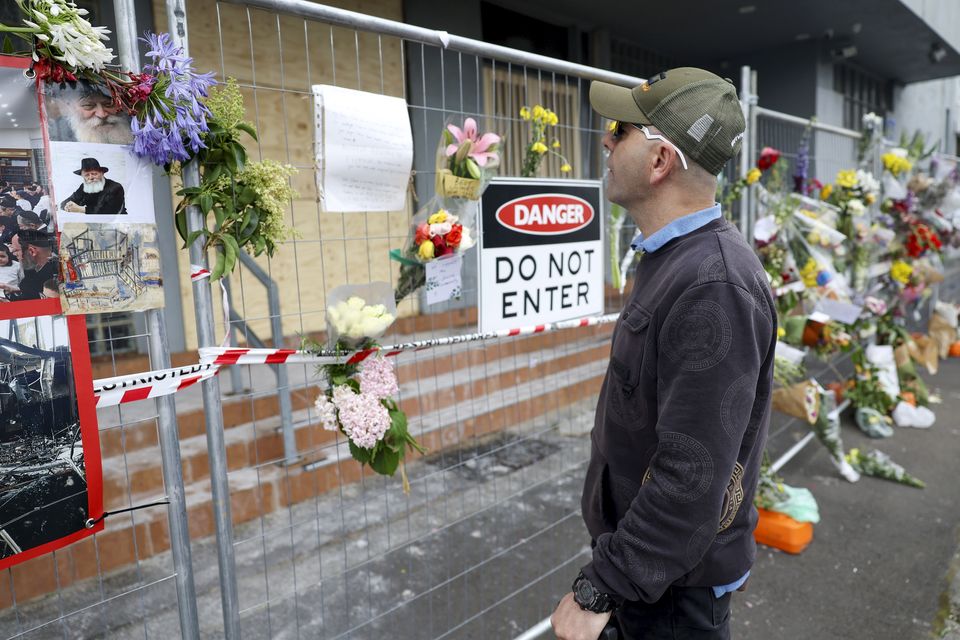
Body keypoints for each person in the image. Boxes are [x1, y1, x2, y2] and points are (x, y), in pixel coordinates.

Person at [550, 68, 776, 640]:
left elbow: (692, 474)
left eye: (621, 130)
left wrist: (603, 583)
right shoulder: (678, 261)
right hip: (659, 581)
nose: (605, 140)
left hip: (672, 594)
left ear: (660, 161)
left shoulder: (712, 284)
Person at [46, 82, 133, 145]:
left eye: (108, 104)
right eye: (88, 105)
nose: (102, 114)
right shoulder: (58, 140)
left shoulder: (138, 129)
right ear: (70, 107)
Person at [1, 230, 57, 301]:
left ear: (32, 251)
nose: (14, 254)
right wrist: (13, 289)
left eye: (16, 250)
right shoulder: (35, 271)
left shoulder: (54, 275)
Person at [60, 158, 127, 215]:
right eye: (87, 175)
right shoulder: (84, 187)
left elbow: (109, 212)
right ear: (82, 176)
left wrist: (80, 209)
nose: (91, 177)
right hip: (92, 225)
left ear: (102, 173)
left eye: (94, 174)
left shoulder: (116, 188)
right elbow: (70, 200)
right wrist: (67, 206)